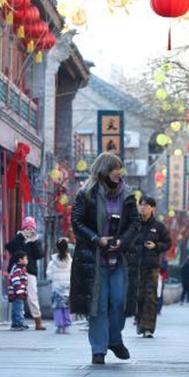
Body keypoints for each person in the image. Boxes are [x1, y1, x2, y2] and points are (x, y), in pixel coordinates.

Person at [70, 152, 140, 365]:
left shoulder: (127, 195)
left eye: (120, 168)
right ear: (103, 170)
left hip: (119, 259)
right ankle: (98, 350)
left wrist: (122, 241)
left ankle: (114, 339)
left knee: (119, 302)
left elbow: (134, 223)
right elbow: (77, 222)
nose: (119, 172)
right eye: (114, 168)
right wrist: (96, 239)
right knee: (98, 306)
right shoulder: (86, 194)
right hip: (94, 259)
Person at [133, 197, 171, 337]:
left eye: (146, 205)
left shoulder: (158, 226)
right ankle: (139, 321)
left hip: (151, 266)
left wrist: (156, 246)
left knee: (150, 297)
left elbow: (168, 243)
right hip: (135, 266)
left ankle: (148, 327)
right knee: (138, 296)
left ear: (153, 208)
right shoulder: (133, 224)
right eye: (140, 205)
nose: (142, 208)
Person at [6, 217, 46, 330]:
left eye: (31, 228)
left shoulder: (35, 240)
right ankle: (17, 321)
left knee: (32, 297)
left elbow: (39, 255)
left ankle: (38, 322)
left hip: (29, 271)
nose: (29, 231)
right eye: (27, 228)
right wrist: (21, 236)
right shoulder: (18, 237)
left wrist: (34, 242)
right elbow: (9, 247)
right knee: (16, 297)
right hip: (17, 271)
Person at [47, 237, 73, 334]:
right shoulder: (70, 261)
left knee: (57, 307)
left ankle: (59, 326)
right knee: (67, 307)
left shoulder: (52, 262)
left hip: (56, 288)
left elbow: (49, 275)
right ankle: (67, 326)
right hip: (68, 287)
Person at [8, 251, 29, 331]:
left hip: (16, 292)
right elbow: (16, 280)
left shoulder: (19, 268)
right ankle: (19, 323)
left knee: (16, 308)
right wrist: (20, 291)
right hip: (17, 293)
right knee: (19, 308)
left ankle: (15, 323)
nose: (27, 260)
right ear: (20, 260)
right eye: (25, 258)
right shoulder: (18, 269)